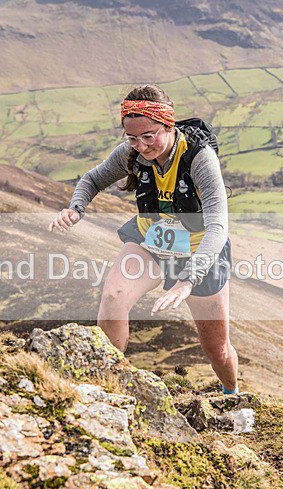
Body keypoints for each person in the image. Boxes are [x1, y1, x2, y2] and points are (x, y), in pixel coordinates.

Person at [48, 84, 239, 394]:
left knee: (217, 350)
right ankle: (107, 385)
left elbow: (218, 227)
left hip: (199, 251)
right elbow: (92, 179)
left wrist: (188, 279)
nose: (141, 146)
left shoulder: (199, 158)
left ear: (169, 125)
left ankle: (232, 394)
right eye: (132, 138)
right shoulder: (130, 153)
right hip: (152, 241)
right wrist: (76, 208)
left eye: (149, 136)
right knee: (113, 298)